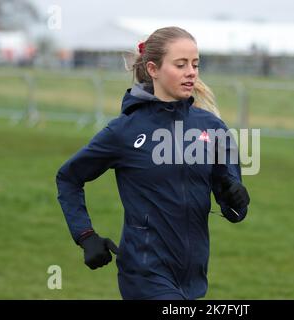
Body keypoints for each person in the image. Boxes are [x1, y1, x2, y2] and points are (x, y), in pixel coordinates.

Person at [56, 26, 250, 299]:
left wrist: (237, 198)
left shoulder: (213, 128)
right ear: (153, 68)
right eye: (180, 64)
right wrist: (85, 235)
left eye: (195, 64)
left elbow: (233, 210)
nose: (191, 72)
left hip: (193, 278)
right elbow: (68, 178)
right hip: (144, 274)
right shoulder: (125, 130)